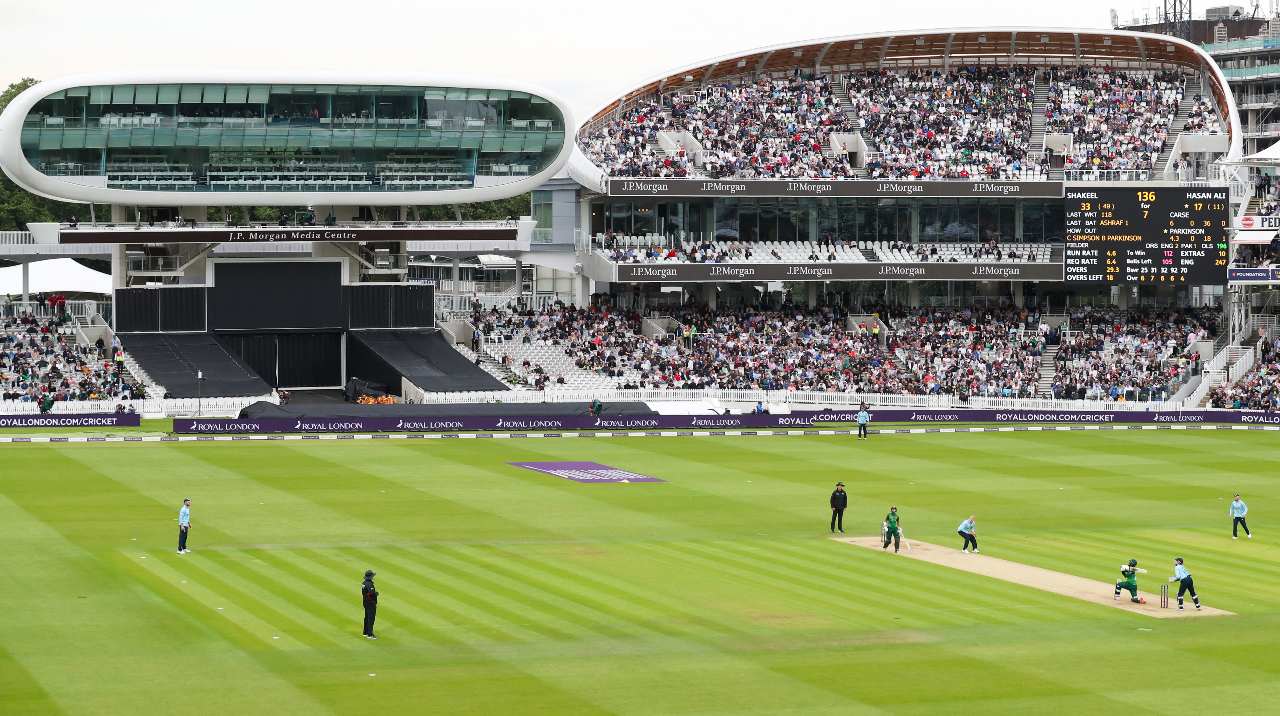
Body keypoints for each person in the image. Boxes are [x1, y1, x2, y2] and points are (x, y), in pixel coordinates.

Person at [361, 570, 379, 639]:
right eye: (372, 576)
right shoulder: (369, 584)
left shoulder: (364, 583)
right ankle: (370, 634)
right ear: (370, 577)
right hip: (370, 603)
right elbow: (371, 593)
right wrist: (376, 594)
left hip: (365, 602)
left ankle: (365, 632)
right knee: (371, 618)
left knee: (367, 617)